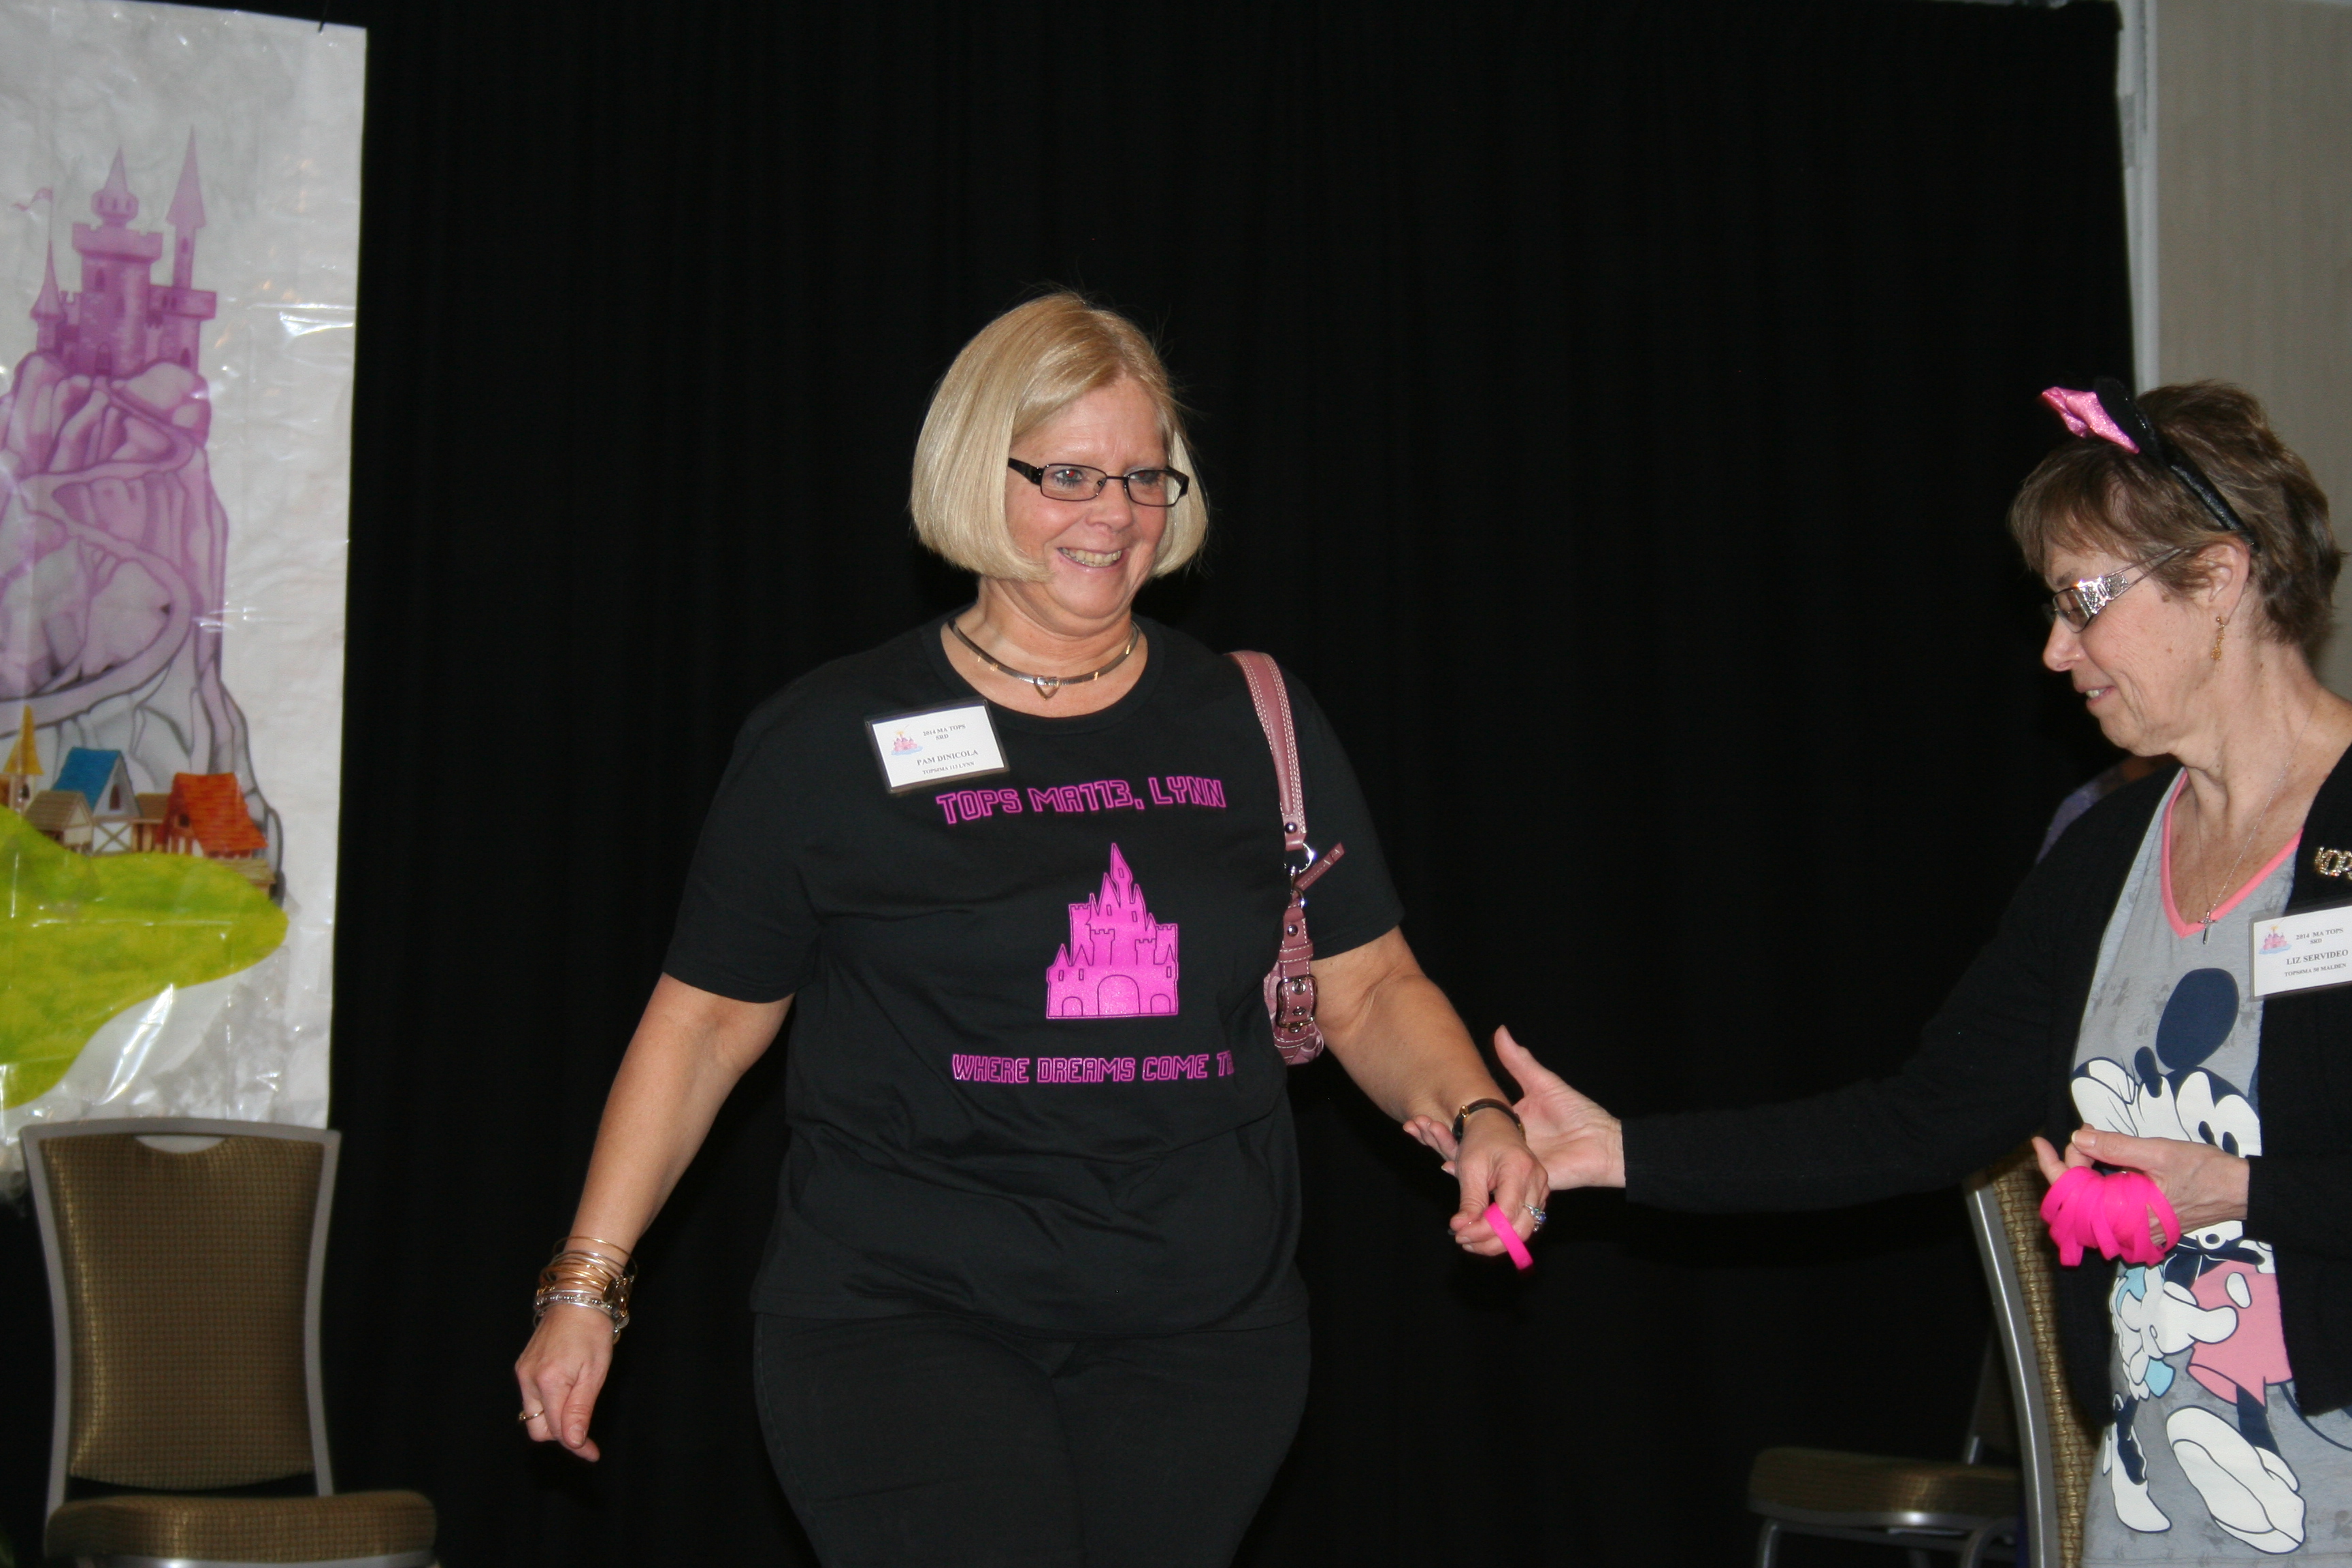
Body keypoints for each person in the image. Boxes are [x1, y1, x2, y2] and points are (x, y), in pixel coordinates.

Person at [514, 293, 1547, 1568]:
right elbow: (705, 1025)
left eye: (1143, 477)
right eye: (1067, 474)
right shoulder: (826, 737)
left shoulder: (1252, 715)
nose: (1113, 513)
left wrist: (1479, 1113)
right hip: (902, 1315)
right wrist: (587, 1284)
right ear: (973, 469)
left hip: (1201, 1332)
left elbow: (1370, 986)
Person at [1414, 380, 2352, 1561]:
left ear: (2217, 578)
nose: (2056, 650)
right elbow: (1918, 1122)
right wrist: (1622, 1152)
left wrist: (2243, 1193)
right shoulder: (2106, 856)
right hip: (2158, 1514)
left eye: (2084, 602)